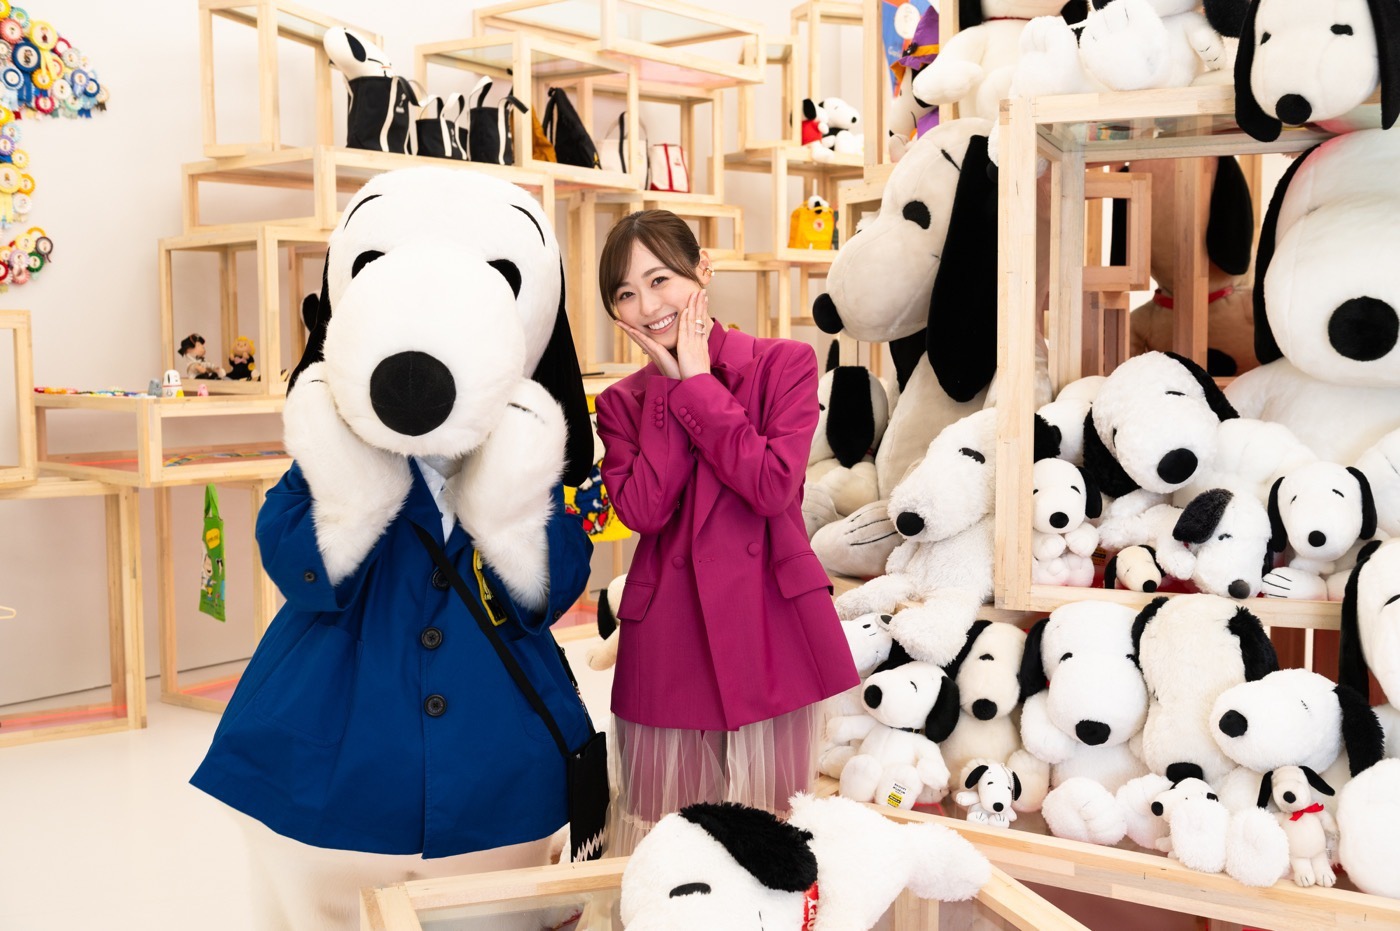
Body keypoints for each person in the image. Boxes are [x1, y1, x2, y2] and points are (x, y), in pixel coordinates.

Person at [594, 210, 859, 853]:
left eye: (659, 280)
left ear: (702, 270)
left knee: (777, 836)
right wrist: (671, 388)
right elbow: (645, 512)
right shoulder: (621, 402)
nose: (647, 306)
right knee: (672, 842)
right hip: (669, 634)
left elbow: (771, 487)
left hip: (770, 621)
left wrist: (699, 383)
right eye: (625, 293)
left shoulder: (784, 364)